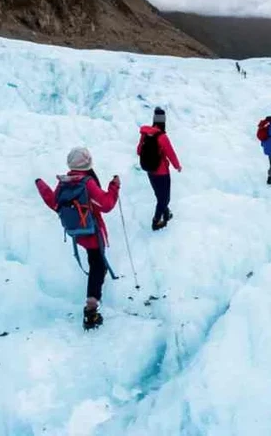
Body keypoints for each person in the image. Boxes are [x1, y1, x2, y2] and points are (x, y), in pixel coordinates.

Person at [35, 147, 121, 330]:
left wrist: (41, 186)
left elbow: (54, 203)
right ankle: (91, 310)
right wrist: (114, 186)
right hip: (93, 231)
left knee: (95, 260)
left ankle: (98, 285)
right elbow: (106, 205)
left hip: (77, 232)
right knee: (97, 264)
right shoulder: (87, 182)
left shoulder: (64, 182)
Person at [138, 107, 182, 231]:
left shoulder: (145, 134)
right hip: (162, 172)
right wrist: (177, 166)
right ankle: (156, 222)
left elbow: (138, 150)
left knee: (159, 195)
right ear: (163, 122)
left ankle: (166, 214)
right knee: (165, 198)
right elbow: (171, 153)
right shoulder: (162, 137)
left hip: (150, 171)